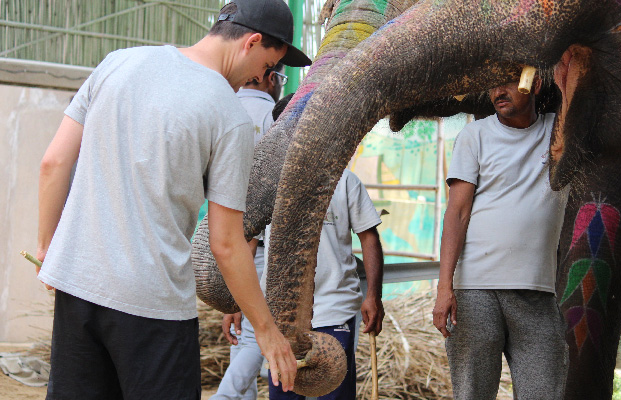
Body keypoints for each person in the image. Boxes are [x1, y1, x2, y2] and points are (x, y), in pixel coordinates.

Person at [35, 0, 311, 398]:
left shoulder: (117, 63)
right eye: (269, 68)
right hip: (152, 306)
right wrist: (268, 333)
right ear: (251, 42)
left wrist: (47, 246)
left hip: (77, 289)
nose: (263, 78)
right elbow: (227, 242)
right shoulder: (227, 115)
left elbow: (53, 161)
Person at [432, 76, 569, 399]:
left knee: (545, 392)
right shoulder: (475, 135)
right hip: (476, 289)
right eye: (492, 84)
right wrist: (443, 288)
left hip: (538, 291)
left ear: (534, 84)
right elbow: (457, 213)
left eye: (508, 82)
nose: (498, 92)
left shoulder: (560, 132)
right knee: (472, 394)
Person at [213, 168, 385, 400]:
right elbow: (248, 246)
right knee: (285, 393)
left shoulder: (345, 180)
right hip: (282, 316)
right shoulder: (271, 181)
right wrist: (234, 303)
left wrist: (373, 296)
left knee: (335, 394)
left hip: (335, 309)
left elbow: (369, 236)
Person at [211, 87, 289, 400]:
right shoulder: (280, 158)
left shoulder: (227, 107)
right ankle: (225, 397)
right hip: (263, 253)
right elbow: (252, 229)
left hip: (245, 245)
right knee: (259, 333)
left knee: (249, 332)